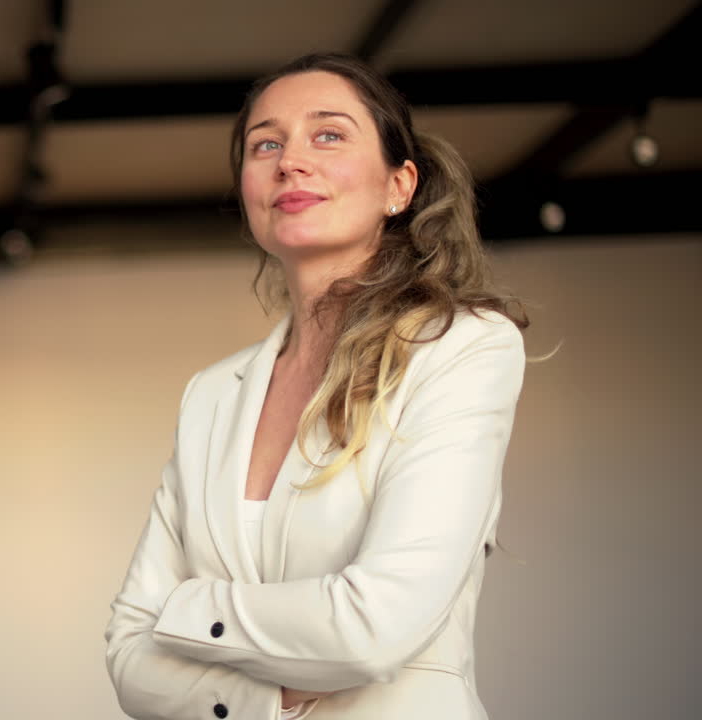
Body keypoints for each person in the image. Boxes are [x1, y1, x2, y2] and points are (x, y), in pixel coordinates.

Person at [104, 53, 528, 720]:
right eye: (264, 143)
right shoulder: (210, 395)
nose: (290, 161)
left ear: (399, 184)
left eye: (328, 134)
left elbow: (374, 627)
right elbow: (128, 655)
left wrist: (185, 612)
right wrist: (271, 693)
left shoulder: (462, 346)